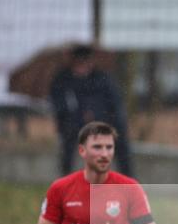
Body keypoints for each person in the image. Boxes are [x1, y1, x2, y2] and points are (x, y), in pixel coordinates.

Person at [50, 45, 133, 177]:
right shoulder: (63, 81)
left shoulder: (102, 79)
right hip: (74, 124)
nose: (82, 66)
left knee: (121, 140)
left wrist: (98, 115)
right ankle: (66, 178)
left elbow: (114, 104)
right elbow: (60, 106)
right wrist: (78, 116)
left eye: (85, 62)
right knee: (68, 143)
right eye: (79, 63)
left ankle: (129, 179)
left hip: (103, 121)